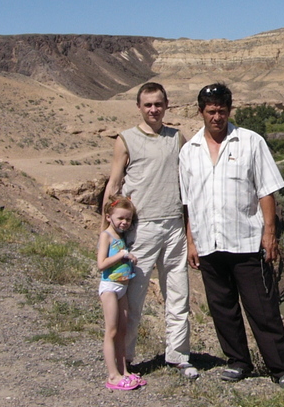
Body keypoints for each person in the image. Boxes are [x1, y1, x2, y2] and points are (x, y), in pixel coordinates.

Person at [179, 82, 284, 392]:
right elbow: (188, 202)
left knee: (263, 310)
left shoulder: (250, 142)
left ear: (229, 111)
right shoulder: (188, 151)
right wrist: (191, 242)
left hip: (247, 242)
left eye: (221, 111)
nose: (216, 117)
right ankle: (238, 362)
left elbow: (267, 190)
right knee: (222, 309)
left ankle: (283, 369)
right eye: (210, 111)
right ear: (200, 112)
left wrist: (270, 234)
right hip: (209, 243)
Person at [102, 82, 197, 379]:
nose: (153, 109)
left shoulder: (177, 137)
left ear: (167, 105)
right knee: (132, 300)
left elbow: (191, 180)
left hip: (173, 227)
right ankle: (125, 358)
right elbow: (114, 186)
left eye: (158, 104)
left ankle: (179, 356)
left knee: (178, 295)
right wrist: (106, 233)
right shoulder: (126, 139)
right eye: (148, 105)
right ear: (139, 107)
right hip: (140, 230)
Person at [97, 195, 144, 390]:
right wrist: (122, 255)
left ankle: (124, 370)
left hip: (123, 288)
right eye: (120, 219)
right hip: (110, 287)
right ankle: (113, 375)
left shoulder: (121, 237)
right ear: (109, 217)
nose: (124, 223)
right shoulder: (106, 236)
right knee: (112, 330)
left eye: (128, 219)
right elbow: (101, 264)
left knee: (122, 331)